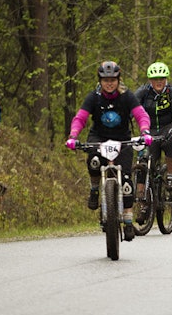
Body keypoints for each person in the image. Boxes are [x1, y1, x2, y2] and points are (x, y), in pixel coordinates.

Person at [65, 61, 153, 241]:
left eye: (113, 80)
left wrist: (145, 131)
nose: (109, 83)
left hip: (122, 140)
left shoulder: (127, 96)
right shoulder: (94, 97)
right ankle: (95, 189)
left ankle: (128, 220)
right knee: (94, 161)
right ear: (100, 81)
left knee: (126, 181)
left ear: (118, 80)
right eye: (106, 80)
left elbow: (141, 115)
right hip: (99, 138)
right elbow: (80, 118)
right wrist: (73, 135)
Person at [133, 61, 172, 201]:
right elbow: (132, 107)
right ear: (150, 80)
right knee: (143, 160)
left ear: (166, 78)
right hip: (148, 130)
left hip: (168, 127)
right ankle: (141, 197)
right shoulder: (143, 92)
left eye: (161, 78)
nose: (159, 81)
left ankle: (170, 176)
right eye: (155, 79)